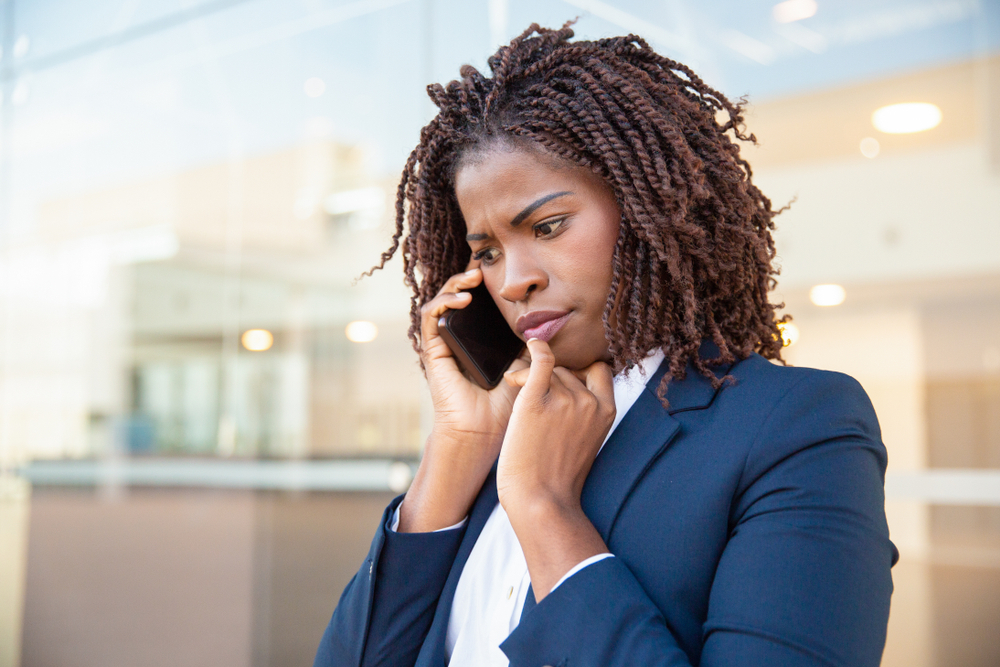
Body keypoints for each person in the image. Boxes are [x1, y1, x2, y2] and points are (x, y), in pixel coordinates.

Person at [314, 23, 897, 667]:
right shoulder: (493, 448)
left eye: (548, 225)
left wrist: (545, 510)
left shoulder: (796, 425)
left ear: (652, 209)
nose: (513, 280)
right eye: (486, 252)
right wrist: (456, 454)